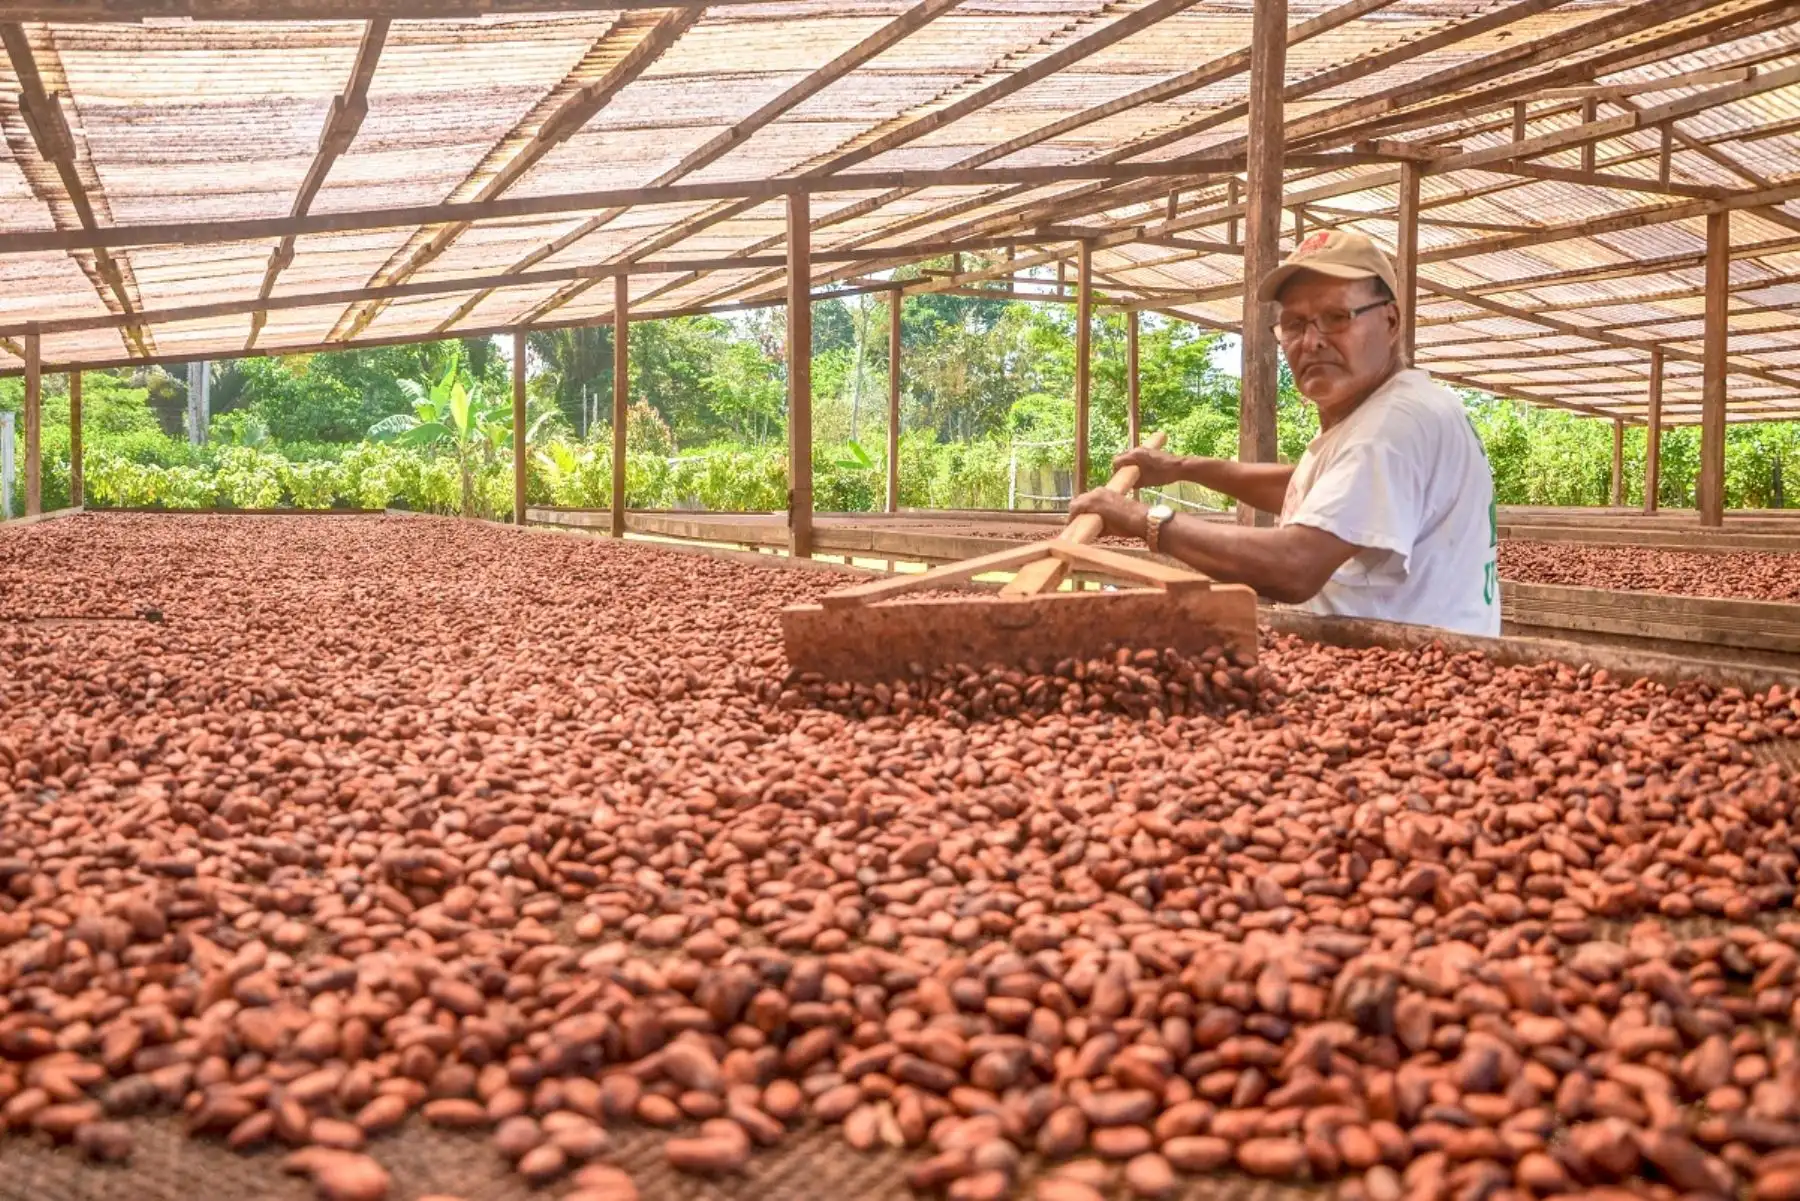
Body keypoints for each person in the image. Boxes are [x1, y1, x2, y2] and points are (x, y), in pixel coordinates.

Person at [1068, 229, 1500, 636]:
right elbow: (1314, 492)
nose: (1311, 341)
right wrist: (1180, 468)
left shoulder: (1392, 425)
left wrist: (1142, 520)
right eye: (1294, 325)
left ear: (1390, 321)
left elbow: (1296, 566)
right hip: (1419, 658)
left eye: (1336, 317)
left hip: (1413, 674)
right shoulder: (1402, 407)